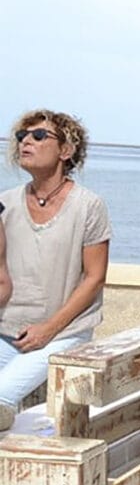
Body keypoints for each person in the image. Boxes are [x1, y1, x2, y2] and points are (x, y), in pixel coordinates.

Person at [0, 110, 111, 431]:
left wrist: (48, 329)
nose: (26, 142)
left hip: (64, 333)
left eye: (38, 136)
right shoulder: (6, 204)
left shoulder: (88, 206)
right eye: (22, 136)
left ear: (66, 150)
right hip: (8, 330)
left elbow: (95, 277)